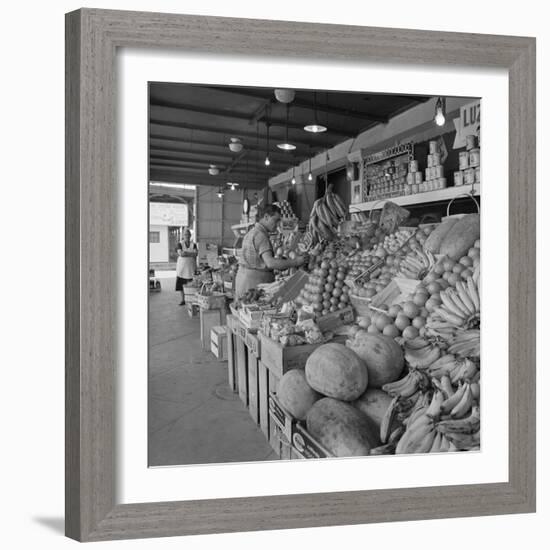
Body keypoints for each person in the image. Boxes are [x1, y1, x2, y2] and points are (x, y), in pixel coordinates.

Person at [235, 204, 305, 298]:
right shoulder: (261, 236)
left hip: (242, 281)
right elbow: (271, 263)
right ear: (266, 217)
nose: (277, 225)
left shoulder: (251, 232)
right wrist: (296, 262)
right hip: (254, 284)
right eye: (275, 220)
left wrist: (282, 261)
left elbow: (260, 259)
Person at [175, 229, 198, 305]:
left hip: (191, 267)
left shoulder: (193, 244)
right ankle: (183, 300)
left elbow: (196, 254)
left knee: (192, 284)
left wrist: (186, 253)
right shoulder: (180, 244)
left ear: (190, 236)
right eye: (185, 234)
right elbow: (181, 254)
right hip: (182, 267)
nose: (187, 236)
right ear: (183, 236)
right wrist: (191, 253)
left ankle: (191, 299)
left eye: (188, 234)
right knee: (182, 284)